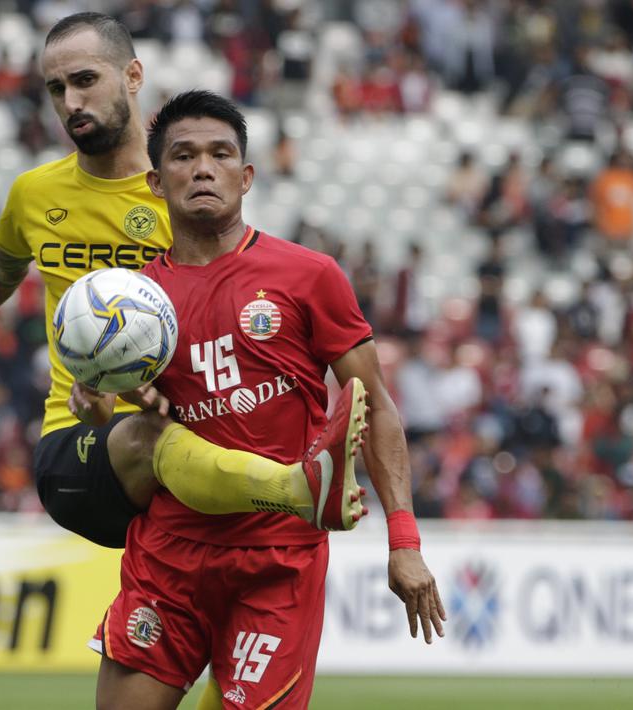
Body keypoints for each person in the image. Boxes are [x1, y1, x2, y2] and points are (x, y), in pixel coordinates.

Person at [0, 12, 365, 554]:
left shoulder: (187, 197)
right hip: (81, 444)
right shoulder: (35, 194)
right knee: (152, 438)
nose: (71, 102)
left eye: (85, 80)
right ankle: (297, 488)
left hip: (197, 442)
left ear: (133, 76)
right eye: (57, 88)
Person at [90, 90, 446, 710]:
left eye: (220, 154)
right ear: (154, 181)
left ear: (246, 175)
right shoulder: (135, 306)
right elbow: (129, 429)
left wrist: (405, 541)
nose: (203, 168)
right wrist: (99, 400)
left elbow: (378, 407)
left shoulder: (310, 276)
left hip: (279, 561)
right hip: (169, 555)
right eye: (183, 156)